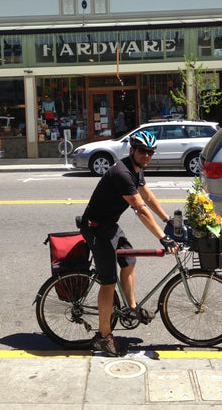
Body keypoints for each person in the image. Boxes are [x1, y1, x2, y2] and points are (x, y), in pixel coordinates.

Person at [80, 130, 178, 357]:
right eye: (142, 151)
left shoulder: (136, 170)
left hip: (109, 226)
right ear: (132, 150)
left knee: (129, 261)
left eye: (150, 152)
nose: (146, 155)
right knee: (108, 282)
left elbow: (147, 197)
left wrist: (167, 220)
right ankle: (103, 337)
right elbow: (140, 209)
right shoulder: (122, 173)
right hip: (96, 228)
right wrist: (162, 237)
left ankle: (131, 307)